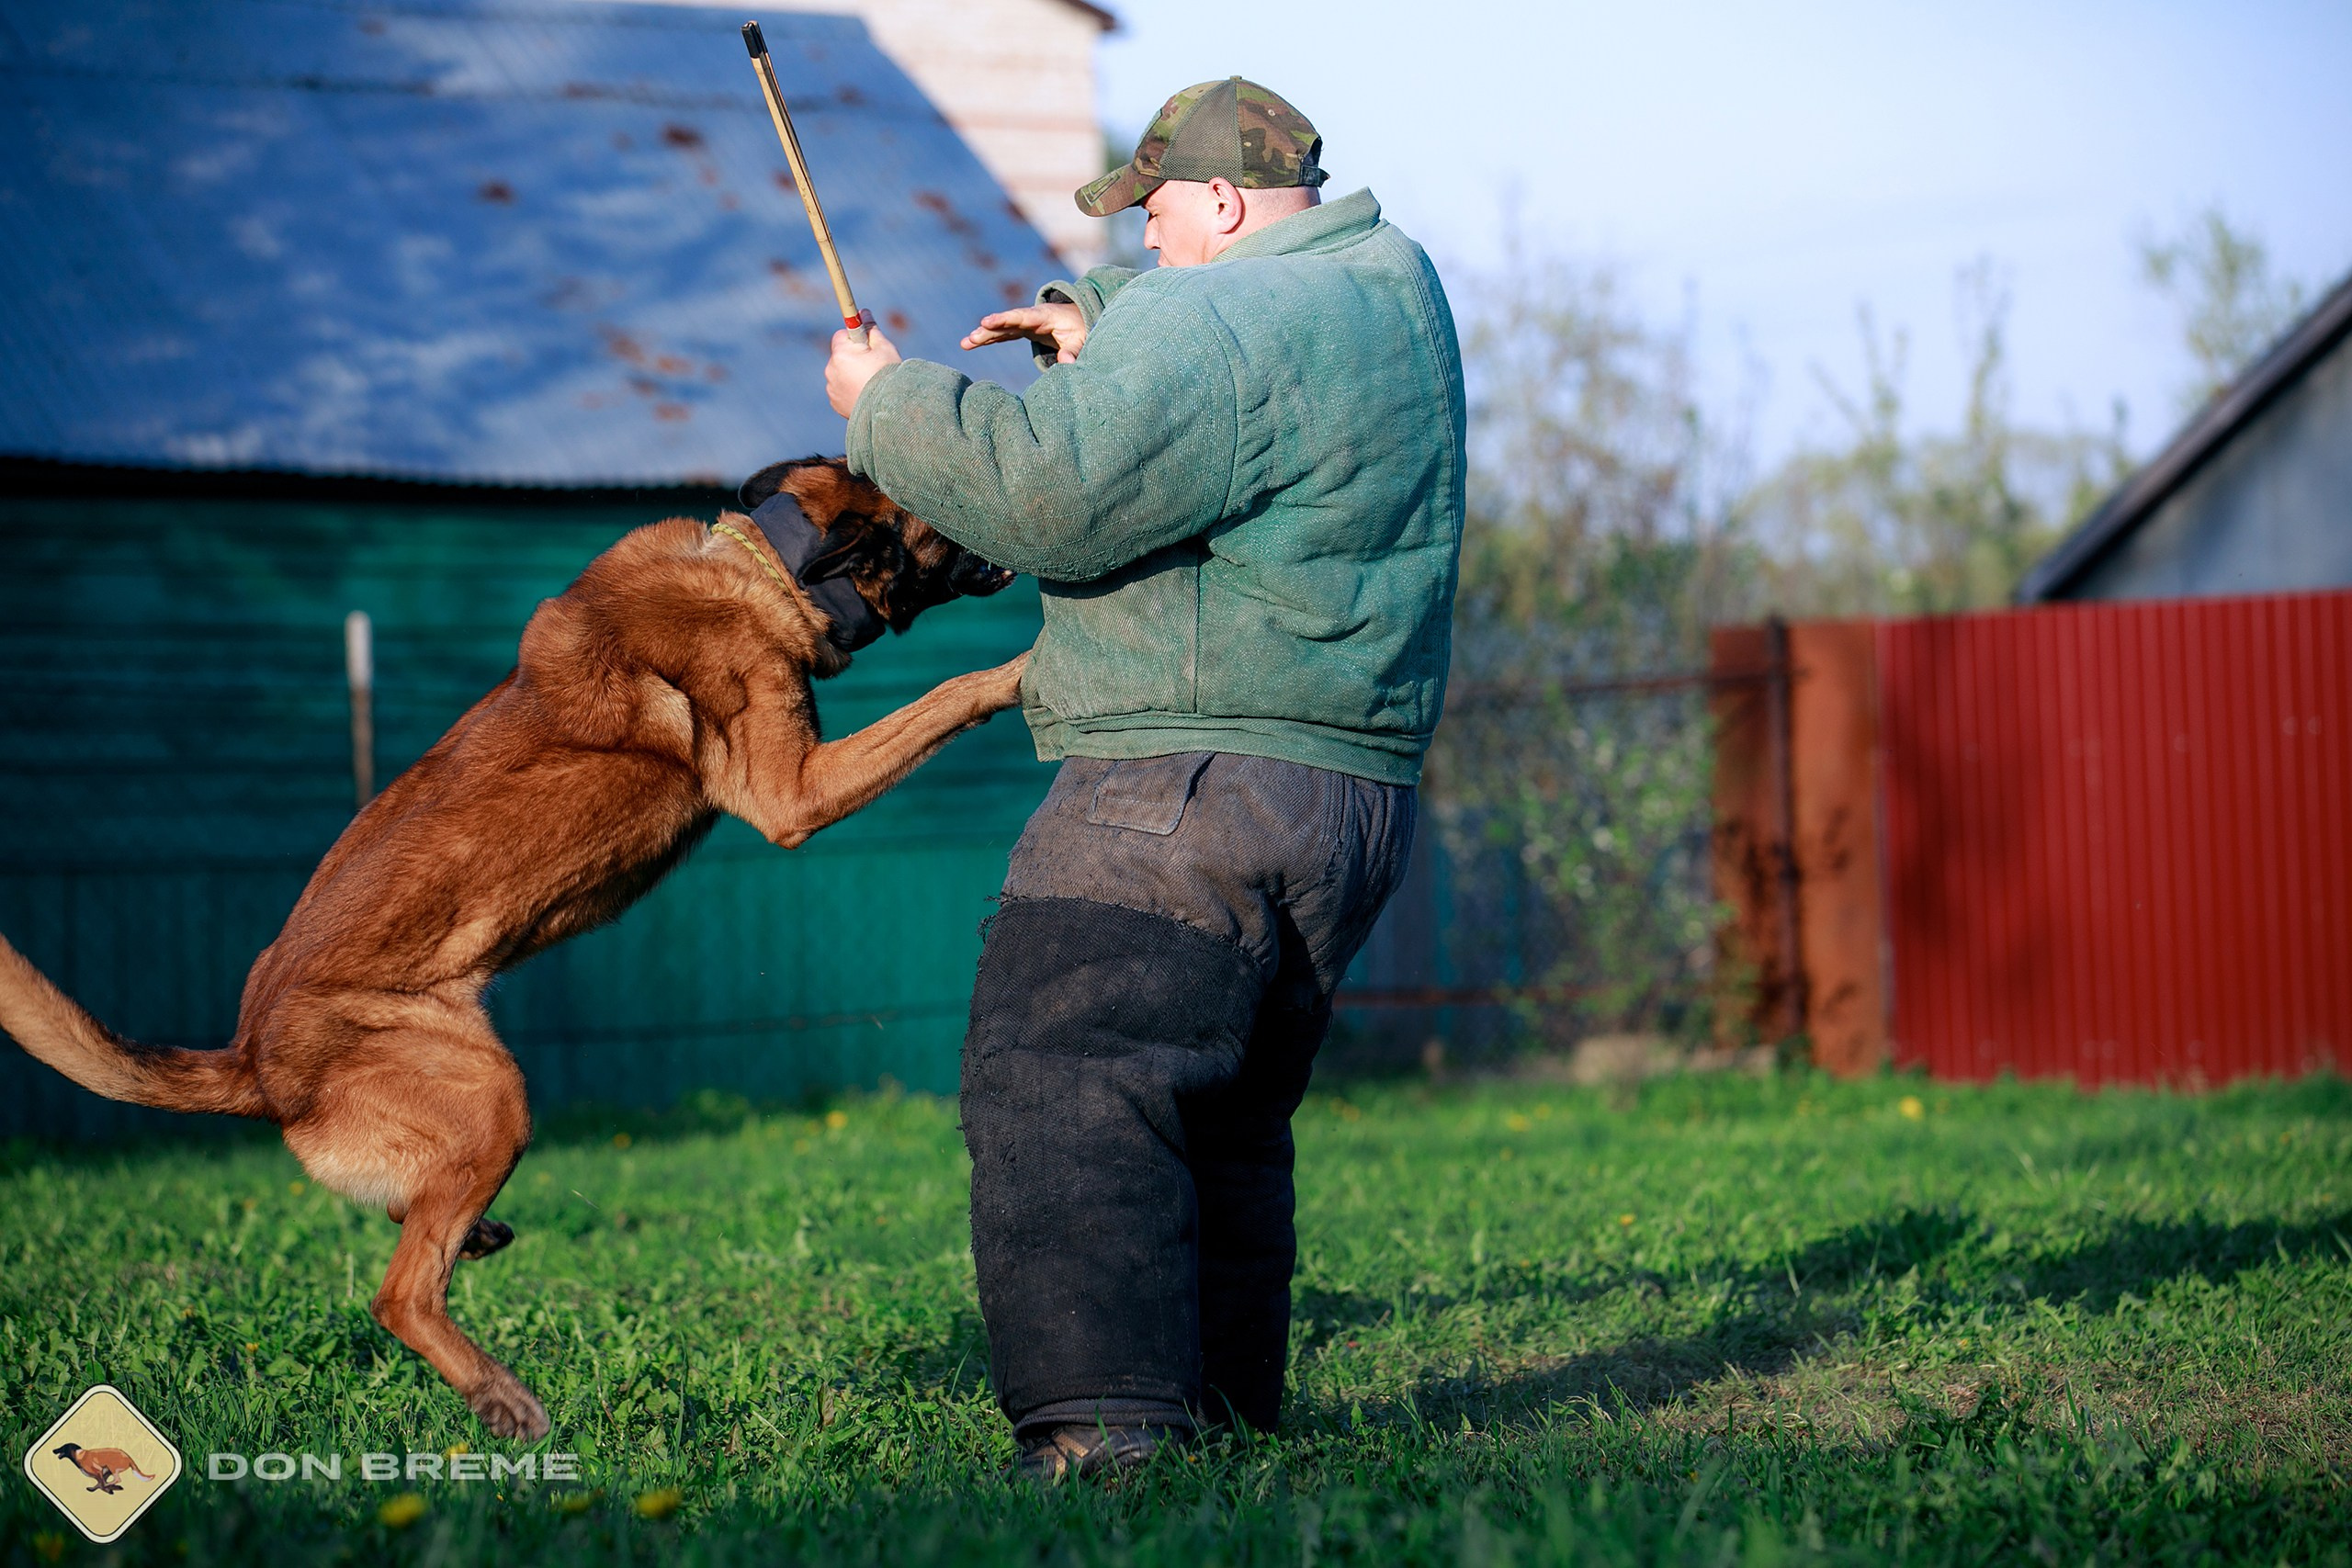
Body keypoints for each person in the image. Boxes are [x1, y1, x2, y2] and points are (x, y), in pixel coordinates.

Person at [821, 76, 1465, 1481]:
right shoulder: (1393, 296)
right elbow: (1249, 389)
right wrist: (1096, 324)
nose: (1146, 247)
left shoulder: (1217, 313)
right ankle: (1222, 1427)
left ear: (1226, 202)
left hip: (1183, 777)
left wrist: (892, 405)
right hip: (1344, 797)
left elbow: (1052, 494)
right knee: (1217, 1117)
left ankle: (1104, 1443)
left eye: (1159, 218)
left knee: (1066, 1067)